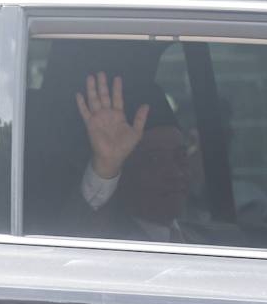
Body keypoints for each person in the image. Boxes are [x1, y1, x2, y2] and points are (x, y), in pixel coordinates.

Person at [70, 71, 191, 242]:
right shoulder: (106, 245)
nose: (176, 173)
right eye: (154, 160)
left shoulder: (218, 241)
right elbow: (73, 236)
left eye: (181, 156)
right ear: (123, 168)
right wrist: (106, 167)